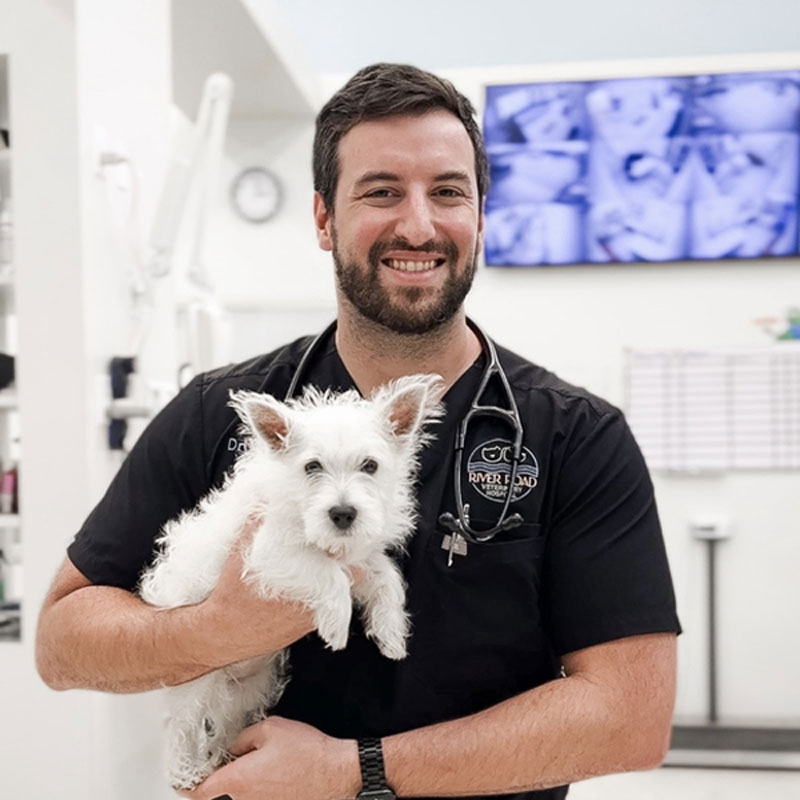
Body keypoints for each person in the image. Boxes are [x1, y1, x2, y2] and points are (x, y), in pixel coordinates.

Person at [36, 63, 680, 800]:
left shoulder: (577, 436)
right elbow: (62, 646)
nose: (418, 224)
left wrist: (352, 771)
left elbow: (631, 716)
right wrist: (218, 629)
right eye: (381, 192)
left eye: (448, 192)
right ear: (322, 219)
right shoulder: (219, 411)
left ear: (480, 215)